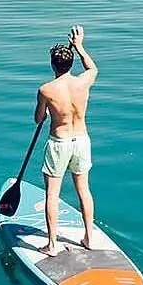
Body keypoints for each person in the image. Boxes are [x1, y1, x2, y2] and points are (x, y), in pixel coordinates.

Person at [33, 25, 98, 256]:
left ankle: (52, 245)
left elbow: (38, 119)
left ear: (53, 65)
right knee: (84, 190)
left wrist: (48, 110)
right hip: (81, 141)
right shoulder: (84, 82)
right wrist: (80, 46)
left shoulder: (46, 90)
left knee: (52, 194)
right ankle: (89, 237)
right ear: (71, 65)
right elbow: (92, 67)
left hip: (59, 143)